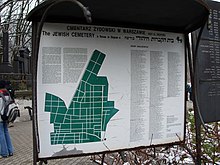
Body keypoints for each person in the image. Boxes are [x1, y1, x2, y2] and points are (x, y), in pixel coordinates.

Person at [0, 80, 14, 158]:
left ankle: (4, 152)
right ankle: (10, 150)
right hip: (6, 116)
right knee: (6, 132)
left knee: (1, 134)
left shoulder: (0, 94)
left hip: (1, 117)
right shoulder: (7, 93)